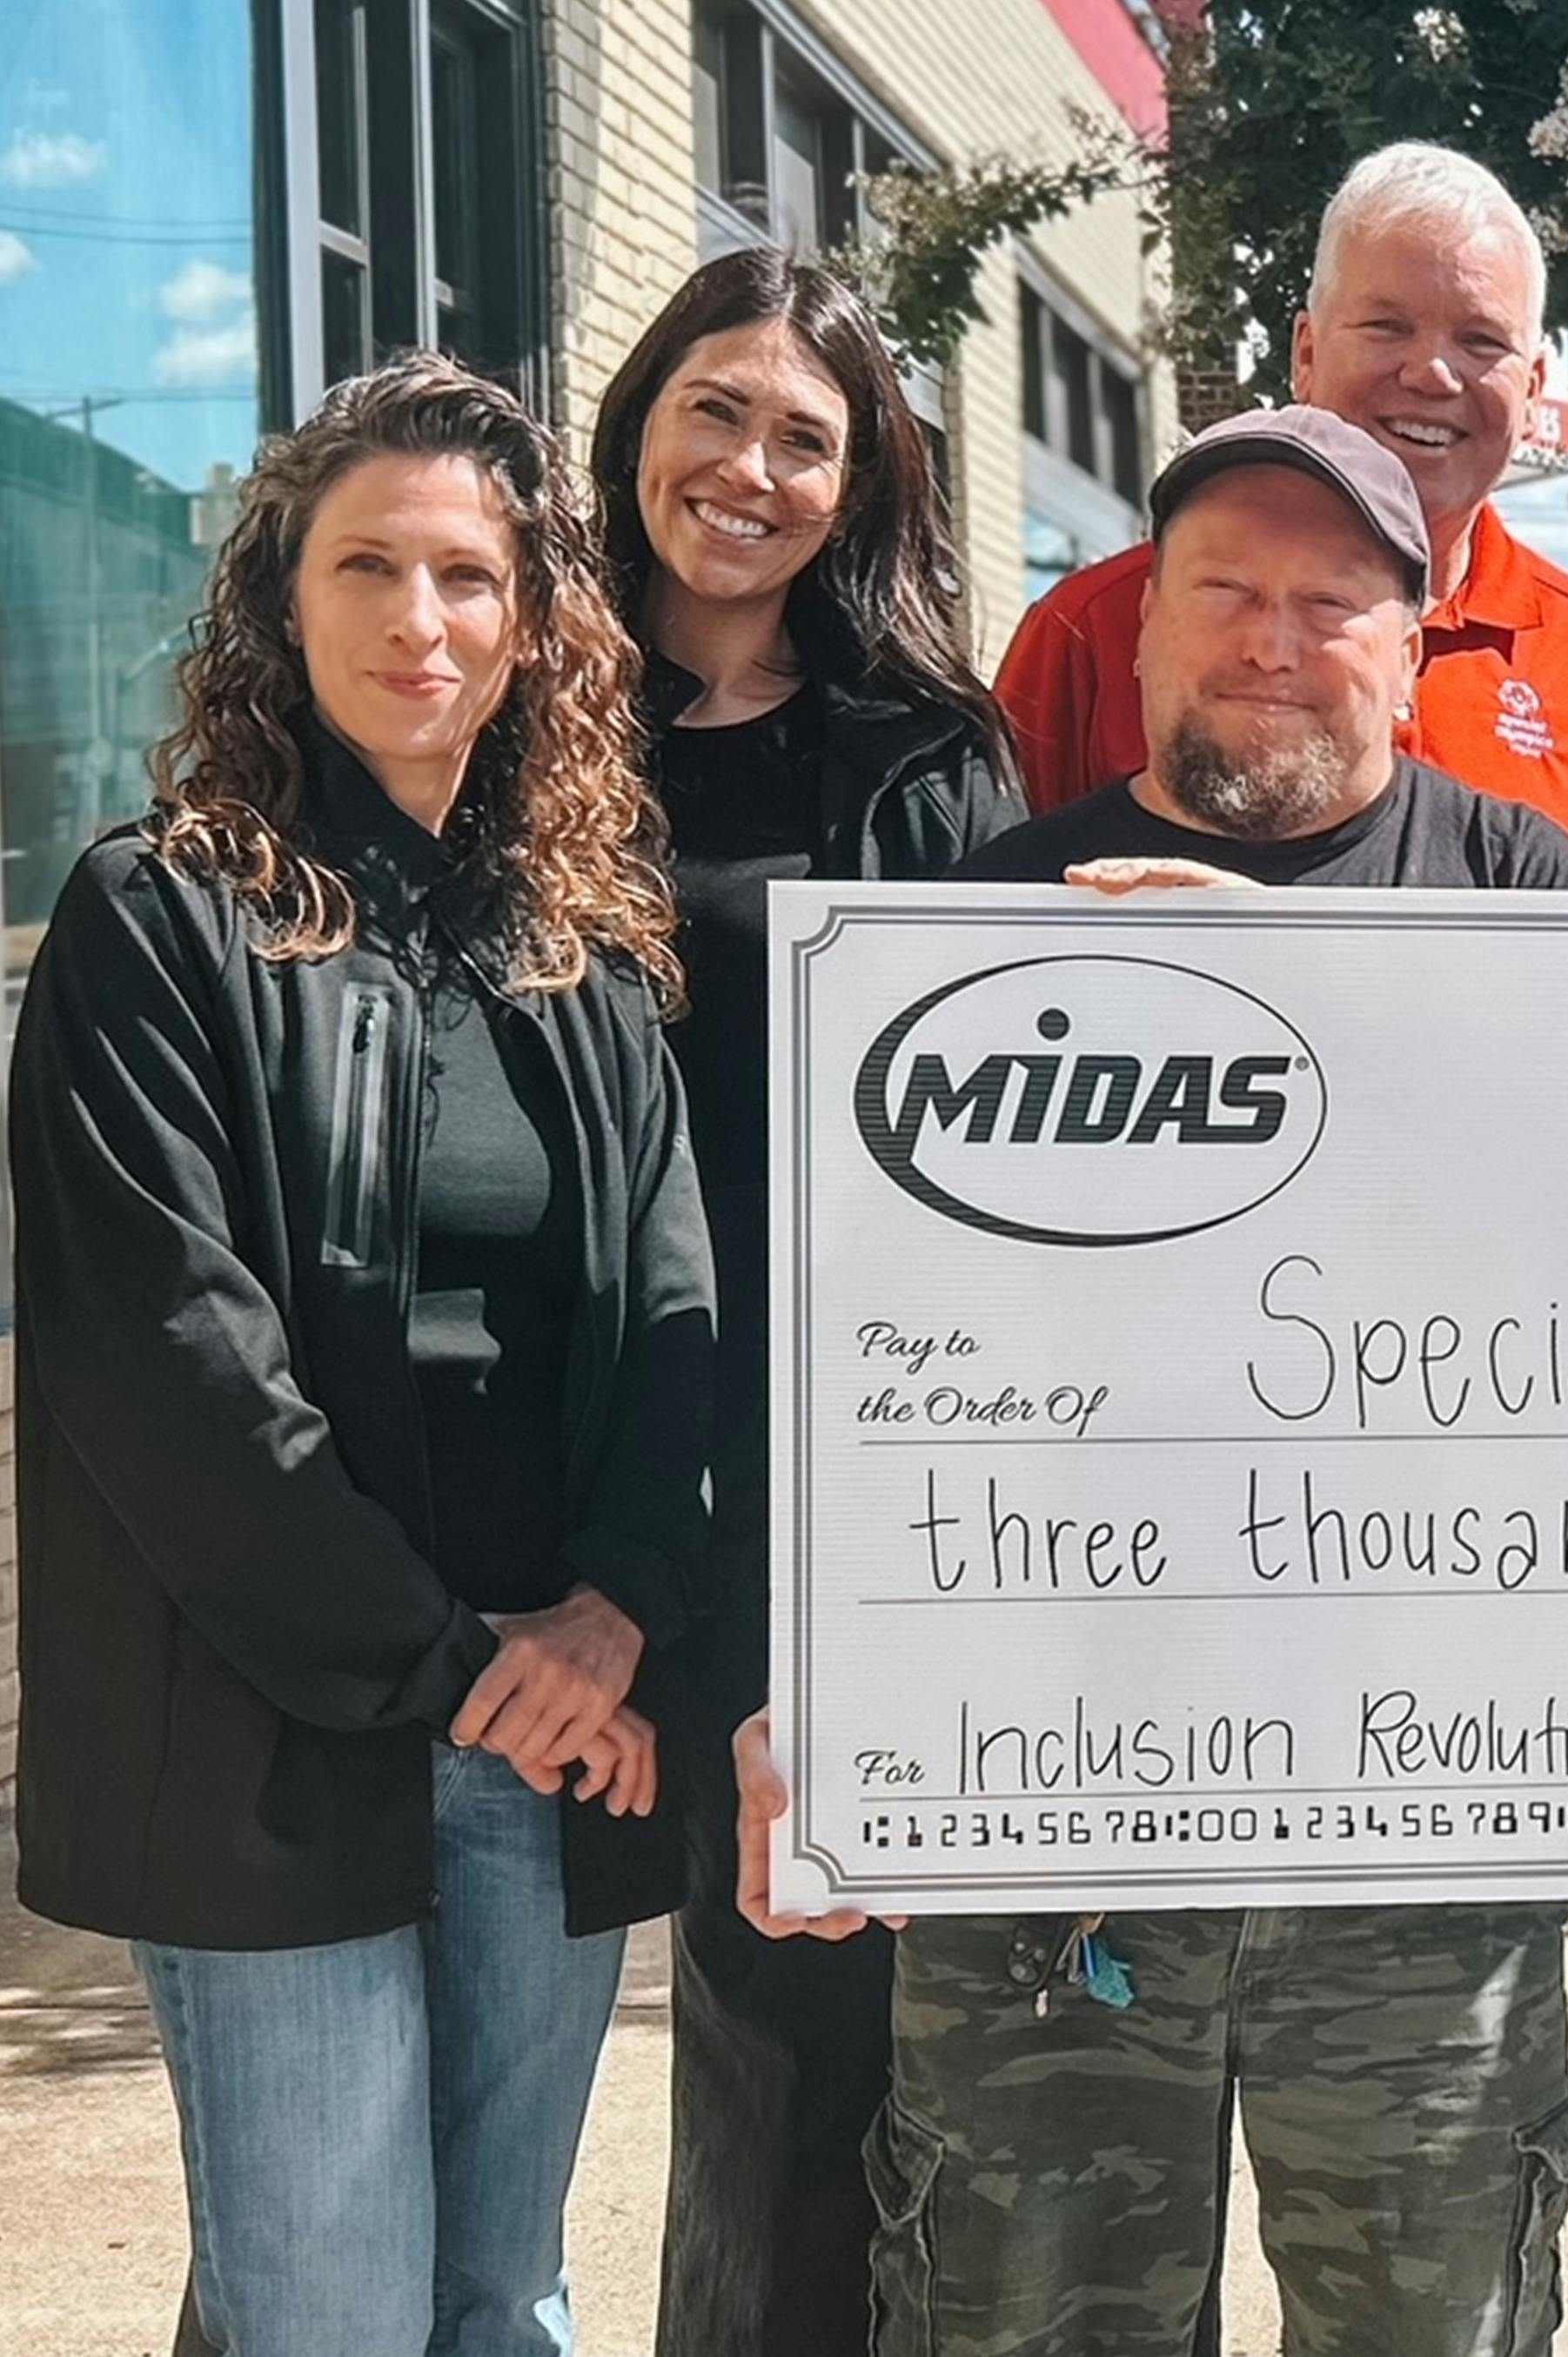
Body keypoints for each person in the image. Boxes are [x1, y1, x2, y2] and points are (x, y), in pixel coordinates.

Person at [739, 405, 1568, 2357]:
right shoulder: (981, 926)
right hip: (1045, 1822)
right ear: (1136, 623)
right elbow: (857, 1358)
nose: (1270, 640)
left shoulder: (1524, 893)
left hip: (1420, 1828)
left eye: (1330, 600)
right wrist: (814, 1688)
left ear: (1413, 637)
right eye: (1223, 589)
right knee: (1022, 2320)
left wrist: (1307, 1002)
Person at [10, 352, 712, 2355]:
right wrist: (462, 1666)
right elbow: (176, 1369)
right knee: (325, 2309)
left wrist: (612, 1610)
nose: (422, 618)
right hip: (277, 1735)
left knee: (503, 2293)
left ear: (534, 623)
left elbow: (675, 1309)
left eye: (470, 574)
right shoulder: (160, 921)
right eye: (368, 565)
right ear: (281, 598)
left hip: (548, 1724)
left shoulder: (575, 953)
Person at [586, 246, 1027, 2357]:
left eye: (804, 438)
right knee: (440, 2032)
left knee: (797, 2047)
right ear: (638, 423)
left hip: (803, 1484)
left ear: (860, 487)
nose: (748, 470)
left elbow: (999, 1128)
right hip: (537, 1468)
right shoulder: (518, 710)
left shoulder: (925, 759)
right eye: (715, 411)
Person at [996, 142, 1568, 884]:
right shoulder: (1086, 630)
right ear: (1305, 352)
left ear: (1532, 391)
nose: (1432, 372)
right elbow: (986, 915)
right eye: (1386, 326)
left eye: (1481, 341)